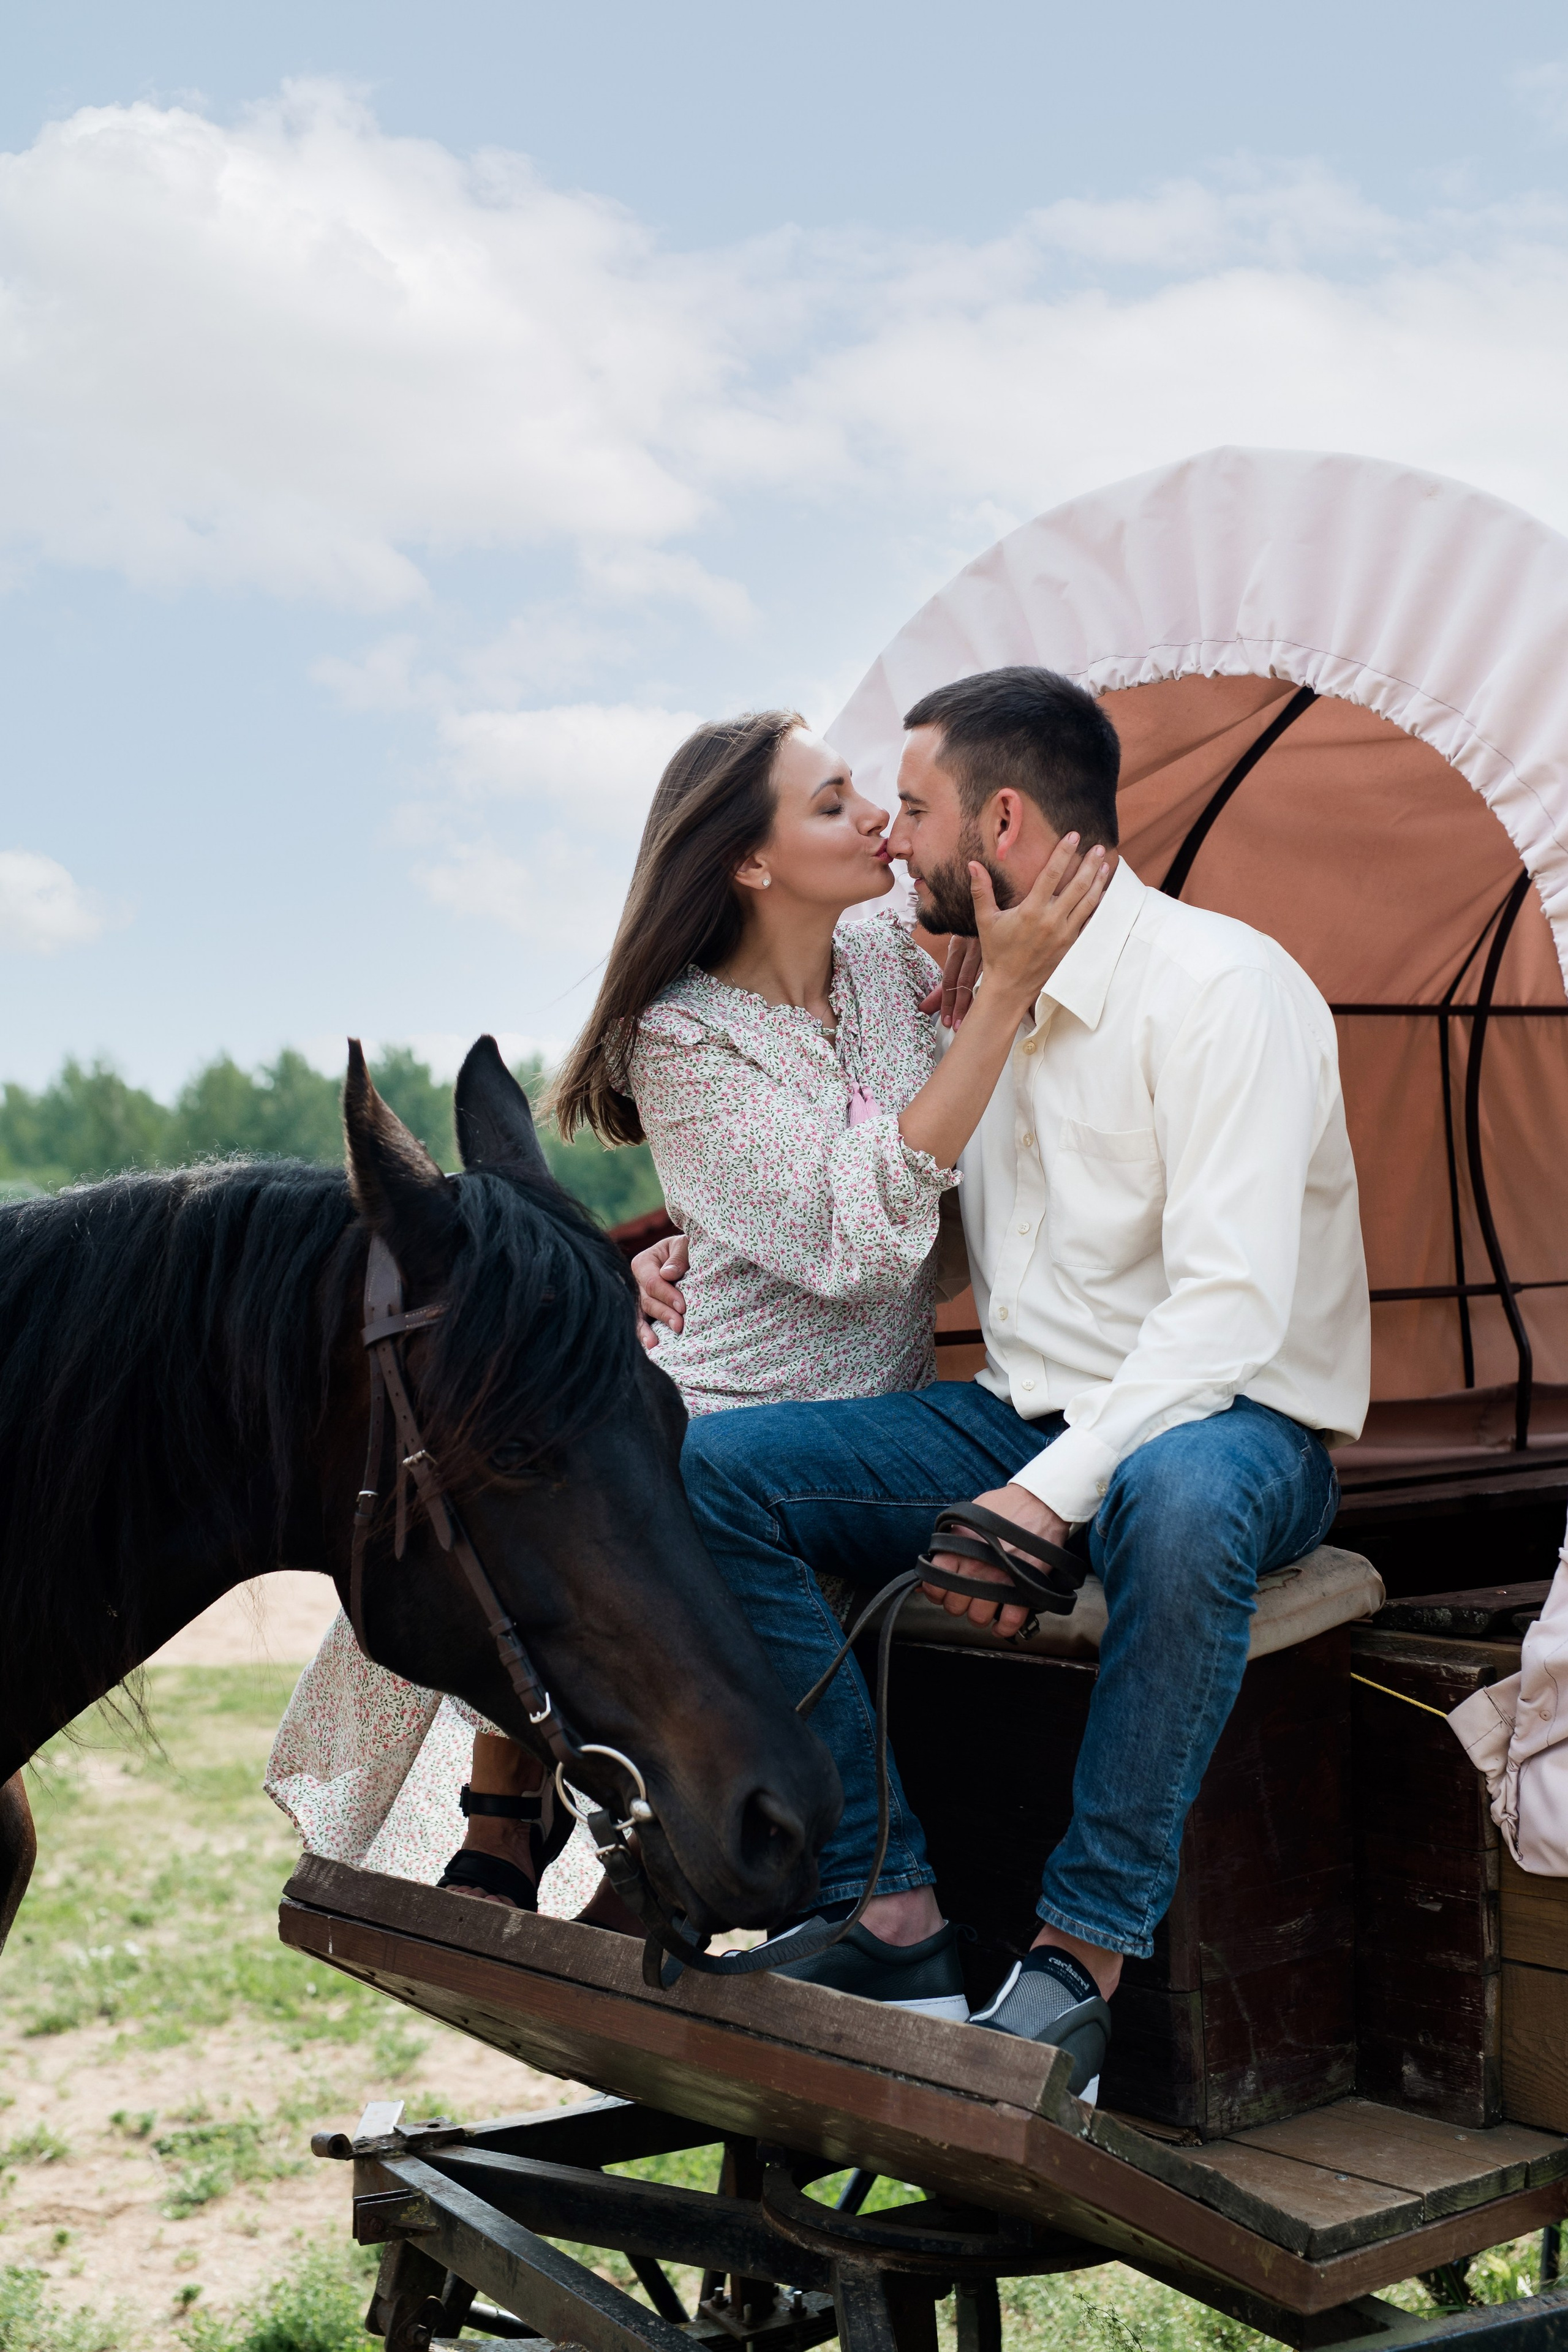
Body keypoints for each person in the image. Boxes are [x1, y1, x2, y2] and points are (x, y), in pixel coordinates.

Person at [265, 707, 1107, 1921]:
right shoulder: (679, 1036)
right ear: (751, 863)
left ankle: (584, 1828)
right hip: (726, 1383)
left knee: (647, 1496)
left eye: (864, 792)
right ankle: (510, 1811)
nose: (875, 815)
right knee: (565, 1495)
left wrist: (987, 955)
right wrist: (992, 1007)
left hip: (857, 1407)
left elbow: (936, 1211)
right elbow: (849, 1238)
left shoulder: (889, 952)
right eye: (831, 803)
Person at [671, 666, 1371, 2098]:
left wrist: (1047, 1499)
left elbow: (1227, 1312)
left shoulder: (1222, 988)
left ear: (998, 821)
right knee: (718, 1474)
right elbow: (854, 1197)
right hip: (1013, 1413)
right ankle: (888, 1910)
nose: (890, 838)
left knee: (1175, 1498)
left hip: (1235, 1425)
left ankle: (1076, 1962)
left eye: (910, 807)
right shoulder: (974, 1006)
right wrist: (660, 1253)